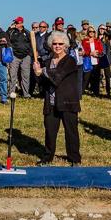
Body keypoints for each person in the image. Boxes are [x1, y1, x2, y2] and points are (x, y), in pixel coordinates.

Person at [33, 31, 81, 166]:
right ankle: (48, 157)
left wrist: (43, 71)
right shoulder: (48, 61)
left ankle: (74, 158)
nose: (57, 46)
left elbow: (57, 77)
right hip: (51, 102)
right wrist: (37, 72)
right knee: (50, 131)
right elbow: (42, 83)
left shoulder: (70, 60)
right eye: (55, 43)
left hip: (67, 102)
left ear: (65, 45)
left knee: (71, 131)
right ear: (51, 45)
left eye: (60, 44)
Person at [6, 17, 34, 98]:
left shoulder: (27, 32)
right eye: (15, 23)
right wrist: (9, 28)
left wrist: (29, 54)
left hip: (26, 56)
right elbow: (7, 39)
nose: (16, 24)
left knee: (25, 76)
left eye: (17, 23)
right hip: (14, 56)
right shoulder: (11, 32)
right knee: (13, 75)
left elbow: (32, 44)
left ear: (21, 23)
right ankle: (11, 93)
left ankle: (26, 94)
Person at [80, 26, 106, 96]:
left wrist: (97, 52)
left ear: (95, 32)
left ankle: (96, 93)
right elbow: (83, 52)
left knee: (96, 78)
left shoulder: (97, 40)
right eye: (90, 31)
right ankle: (81, 92)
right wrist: (90, 53)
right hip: (88, 62)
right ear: (88, 32)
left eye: (93, 31)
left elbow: (101, 50)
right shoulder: (84, 41)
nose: (91, 33)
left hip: (96, 62)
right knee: (86, 78)